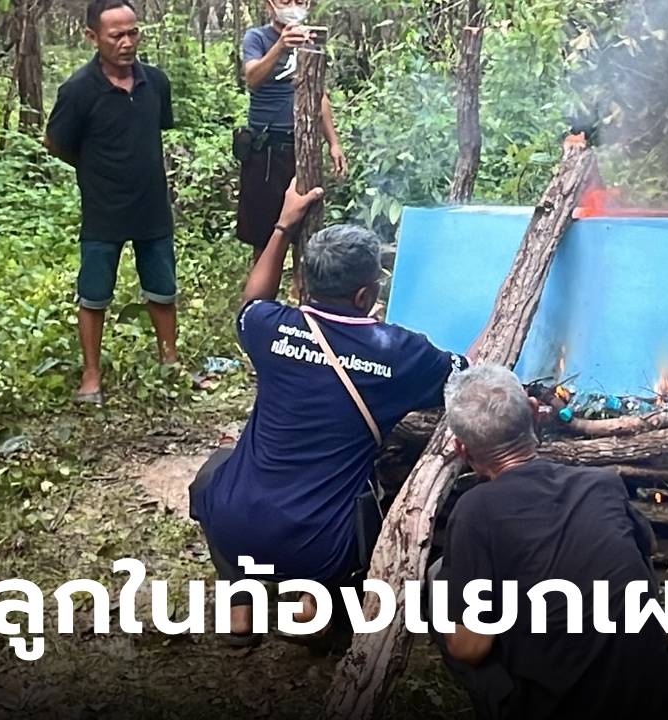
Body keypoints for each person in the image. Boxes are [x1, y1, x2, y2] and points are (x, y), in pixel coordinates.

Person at [188, 179, 470, 647]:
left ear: (305, 284)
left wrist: (283, 226)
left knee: (216, 470)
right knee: (374, 500)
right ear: (365, 297)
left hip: (236, 525)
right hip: (319, 545)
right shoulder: (400, 353)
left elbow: (252, 301)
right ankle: (321, 613)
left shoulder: (268, 329)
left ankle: (242, 606)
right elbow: (463, 374)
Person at [433, 364, 668, 720]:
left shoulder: (474, 512)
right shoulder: (600, 483)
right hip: (661, 699)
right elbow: (644, 553)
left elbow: (471, 649)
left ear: (462, 449)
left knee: (437, 584)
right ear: (533, 412)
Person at [44, 0, 178, 405]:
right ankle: (91, 375)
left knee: (163, 288)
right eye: (116, 35)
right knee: (95, 292)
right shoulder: (78, 90)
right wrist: (95, 169)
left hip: (152, 204)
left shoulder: (155, 82)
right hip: (103, 209)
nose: (127, 42)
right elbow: (56, 142)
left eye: (133, 33)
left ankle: (170, 361)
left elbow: (157, 129)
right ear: (92, 37)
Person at [236, 0, 347, 275]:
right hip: (267, 149)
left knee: (305, 234)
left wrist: (333, 142)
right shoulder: (257, 37)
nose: (293, 6)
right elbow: (252, 77)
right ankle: (261, 306)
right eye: (285, 0)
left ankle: (304, 302)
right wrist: (280, 46)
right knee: (264, 234)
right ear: (269, 5)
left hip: (303, 148)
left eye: (299, 0)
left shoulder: (311, 38)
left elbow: (318, 93)